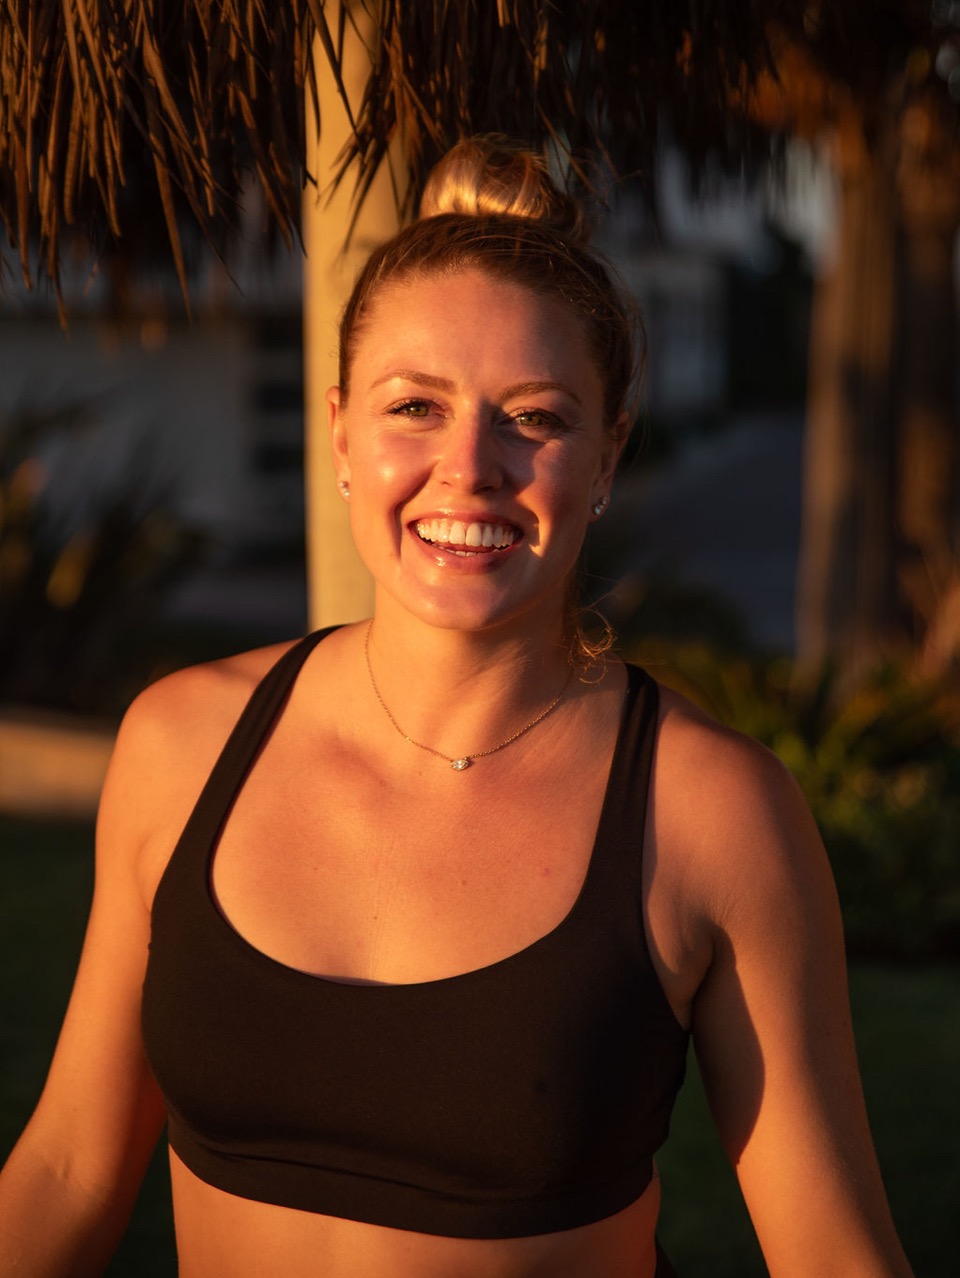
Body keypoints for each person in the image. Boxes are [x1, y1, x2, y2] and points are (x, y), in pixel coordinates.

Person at [0, 136, 914, 1278]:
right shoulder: (181, 745)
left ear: (607, 458)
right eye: (415, 406)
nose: (471, 466)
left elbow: (836, 1256)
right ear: (341, 433)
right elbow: (69, 1170)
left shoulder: (710, 814)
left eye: (535, 418)